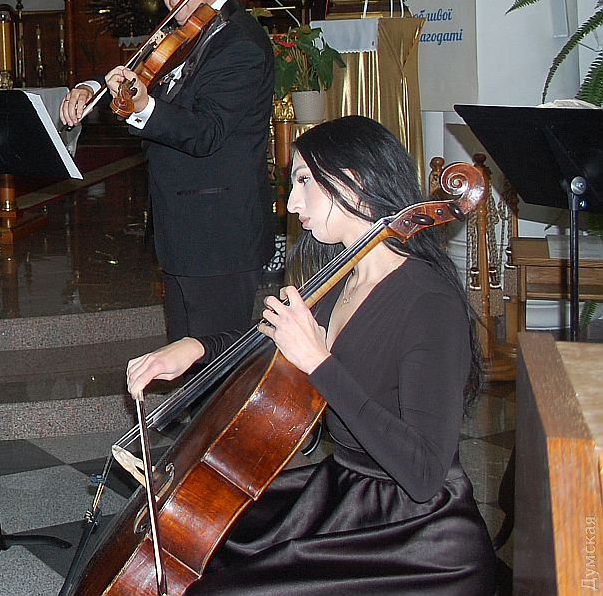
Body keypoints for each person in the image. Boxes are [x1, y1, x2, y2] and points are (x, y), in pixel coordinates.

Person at [123, 116, 497, 593]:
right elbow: (269, 338)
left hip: (414, 539)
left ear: (354, 182)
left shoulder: (429, 301)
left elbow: (424, 474)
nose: (291, 202)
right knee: (201, 535)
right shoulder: (342, 276)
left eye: (303, 181)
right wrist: (194, 347)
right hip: (345, 492)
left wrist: (319, 363)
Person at [59, 0, 273, 342]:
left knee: (213, 360)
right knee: (184, 356)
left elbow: (206, 132)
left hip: (217, 234)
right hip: (184, 232)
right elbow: (139, 76)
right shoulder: (188, 31)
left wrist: (144, 107)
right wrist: (91, 88)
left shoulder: (240, 42)